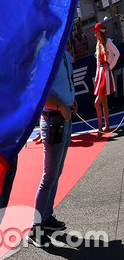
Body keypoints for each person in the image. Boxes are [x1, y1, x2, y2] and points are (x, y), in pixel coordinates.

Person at [28, 44, 75, 247]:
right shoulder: (46, 53)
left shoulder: (63, 51)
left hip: (64, 117)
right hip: (55, 119)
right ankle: (35, 228)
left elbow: (66, 82)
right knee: (49, 176)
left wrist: (70, 101)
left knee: (56, 173)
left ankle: (46, 217)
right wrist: (61, 106)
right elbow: (41, 93)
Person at [91, 22, 119, 133]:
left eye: (96, 32)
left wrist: (110, 66)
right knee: (104, 102)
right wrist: (97, 77)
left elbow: (117, 53)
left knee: (97, 103)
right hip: (101, 74)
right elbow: (98, 64)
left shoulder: (108, 42)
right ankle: (106, 127)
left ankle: (100, 128)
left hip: (105, 73)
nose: (95, 34)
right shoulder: (98, 45)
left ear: (100, 33)